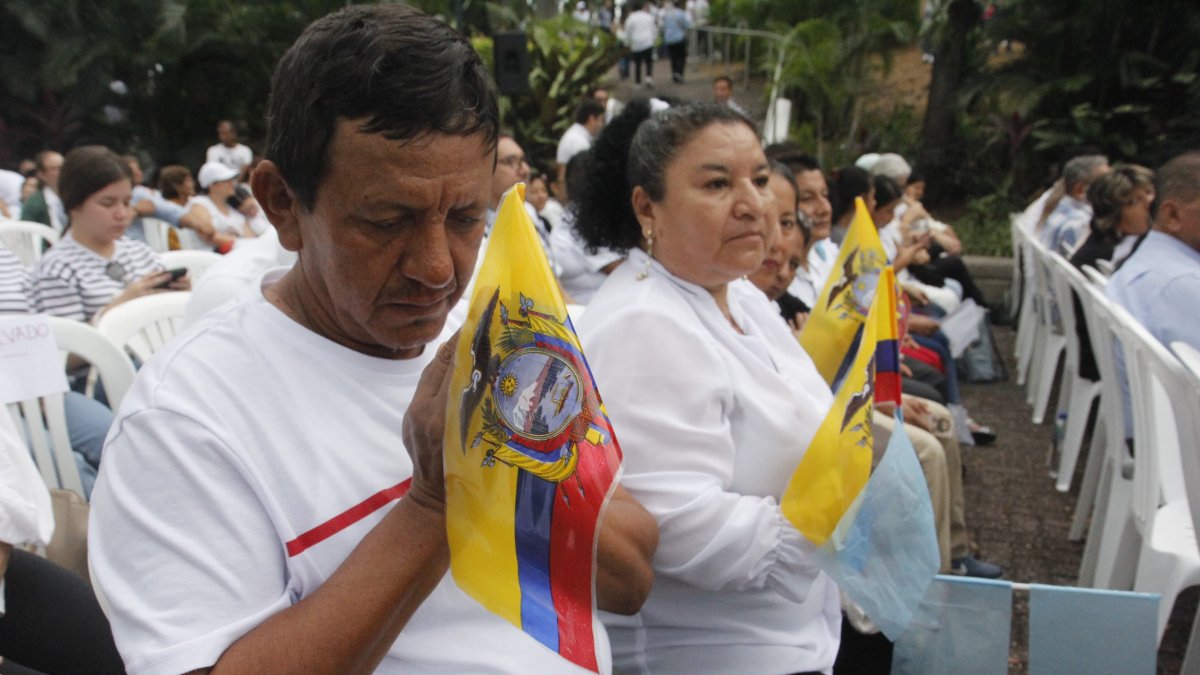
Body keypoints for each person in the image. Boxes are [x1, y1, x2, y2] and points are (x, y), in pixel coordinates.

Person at [89, 5, 657, 674]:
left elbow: (629, 581)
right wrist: (434, 504)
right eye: (388, 220)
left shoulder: (494, 343)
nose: (438, 267)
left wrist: (537, 458)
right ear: (281, 205)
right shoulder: (187, 418)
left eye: (465, 217)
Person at [574, 102, 840, 674]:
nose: (753, 204)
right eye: (718, 184)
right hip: (714, 654)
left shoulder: (738, 293)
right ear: (648, 206)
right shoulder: (644, 321)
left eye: (761, 179)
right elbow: (675, 521)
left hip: (795, 633)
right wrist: (827, 527)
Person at [32, 146, 188, 323]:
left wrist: (182, 298)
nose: (122, 213)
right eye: (108, 204)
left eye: (127, 202)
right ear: (74, 205)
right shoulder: (57, 271)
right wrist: (120, 307)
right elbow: (66, 347)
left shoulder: (141, 252)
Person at [1107, 152, 1200, 433]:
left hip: (1159, 438)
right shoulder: (1180, 283)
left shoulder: (1151, 262)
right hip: (1182, 447)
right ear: (1172, 215)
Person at [1068, 165, 1154, 382]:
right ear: (1114, 214)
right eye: (1134, 202)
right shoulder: (1114, 255)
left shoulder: (1109, 243)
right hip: (1111, 364)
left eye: (1150, 193)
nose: (1149, 205)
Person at [1038, 154, 1110, 254]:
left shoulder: (1057, 209)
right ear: (1080, 190)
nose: (1113, 187)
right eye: (1105, 183)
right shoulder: (1080, 223)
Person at [193, 161, 270, 240]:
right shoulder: (199, 203)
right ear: (212, 185)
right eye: (226, 180)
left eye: (231, 179)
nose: (232, 183)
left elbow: (251, 239)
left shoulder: (233, 209)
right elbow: (209, 235)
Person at [556, 98, 606, 194]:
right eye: (600, 120)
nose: (601, 125)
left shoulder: (574, 135)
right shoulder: (578, 142)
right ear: (592, 119)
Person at [19, 150, 67, 232]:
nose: (63, 171)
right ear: (41, 174)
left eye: (65, 167)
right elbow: (27, 235)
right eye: (56, 169)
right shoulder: (34, 204)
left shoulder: (77, 196)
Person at [624, 2, 657, 86]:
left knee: (637, 63)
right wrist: (653, 39)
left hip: (636, 43)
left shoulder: (630, 18)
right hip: (647, 41)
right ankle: (648, 77)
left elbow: (627, 32)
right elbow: (653, 29)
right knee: (648, 62)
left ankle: (638, 82)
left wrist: (627, 43)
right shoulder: (648, 17)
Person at [661, 0, 691, 83]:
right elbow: (686, 25)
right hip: (679, 38)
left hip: (669, 39)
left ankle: (674, 73)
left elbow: (663, 27)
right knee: (681, 57)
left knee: (673, 57)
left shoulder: (667, 14)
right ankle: (680, 73)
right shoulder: (681, 13)